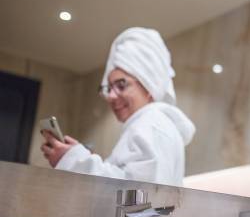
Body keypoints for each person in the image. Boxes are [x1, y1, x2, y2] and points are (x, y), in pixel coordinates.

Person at [41, 27, 195, 187]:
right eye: (109, 88)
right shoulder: (149, 124)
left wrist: (74, 160)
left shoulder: (152, 124)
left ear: (149, 86)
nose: (111, 96)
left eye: (122, 85)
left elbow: (141, 198)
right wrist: (79, 157)